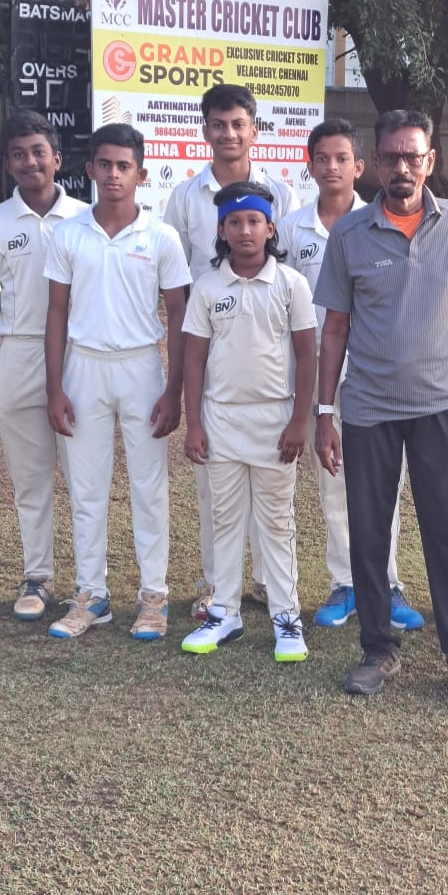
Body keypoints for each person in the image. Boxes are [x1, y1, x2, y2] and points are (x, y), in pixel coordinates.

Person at [313, 109, 448, 711]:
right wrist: (323, 411)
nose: (401, 166)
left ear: (430, 161)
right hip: (367, 407)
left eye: (411, 156)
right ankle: (377, 648)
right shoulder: (348, 234)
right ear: (378, 161)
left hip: (443, 405)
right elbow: (335, 327)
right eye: (391, 156)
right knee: (369, 534)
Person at [42, 123, 190, 641]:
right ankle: (92, 595)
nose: (113, 175)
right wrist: (54, 387)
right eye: (104, 165)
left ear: (141, 173)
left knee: (149, 486)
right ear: (89, 170)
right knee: (86, 488)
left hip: (141, 367)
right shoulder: (68, 232)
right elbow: (56, 313)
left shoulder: (162, 237)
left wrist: (173, 391)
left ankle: (154, 596)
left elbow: (178, 315)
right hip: (83, 367)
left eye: (123, 166)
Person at [278, 119, 423, 633]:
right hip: (318, 372)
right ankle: (346, 583)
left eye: (342, 158)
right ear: (310, 165)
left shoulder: (378, 220)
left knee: (386, 483)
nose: (332, 167)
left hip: (373, 372)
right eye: (322, 158)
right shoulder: (292, 228)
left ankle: (387, 582)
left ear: (360, 167)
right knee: (333, 479)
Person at [163, 83, 295, 621]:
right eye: (218, 124)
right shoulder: (184, 196)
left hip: (265, 348)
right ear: (205, 131)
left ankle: (266, 584)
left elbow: (288, 274)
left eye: (238, 123)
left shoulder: (280, 191)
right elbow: (173, 273)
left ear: (253, 129)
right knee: (215, 481)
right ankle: (218, 589)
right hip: (209, 341)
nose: (228, 133)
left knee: (271, 489)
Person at [181, 183, 317, 662]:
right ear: (221, 230)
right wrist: (193, 424)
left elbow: (307, 354)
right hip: (221, 421)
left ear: (270, 227)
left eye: (254, 221)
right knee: (224, 520)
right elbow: (194, 359)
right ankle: (225, 613)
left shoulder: (290, 284)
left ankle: (286, 618)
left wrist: (300, 421)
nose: (245, 230)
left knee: (276, 524)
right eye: (234, 223)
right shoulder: (208, 285)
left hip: (275, 420)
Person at [0, 111, 86, 619]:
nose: (29, 161)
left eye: (38, 151)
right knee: (31, 478)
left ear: (57, 158)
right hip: (19, 350)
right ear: (8, 162)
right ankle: (38, 577)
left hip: (79, 352)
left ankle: (90, 581)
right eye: (18, 154)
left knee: (84, 475)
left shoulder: (86, 217)